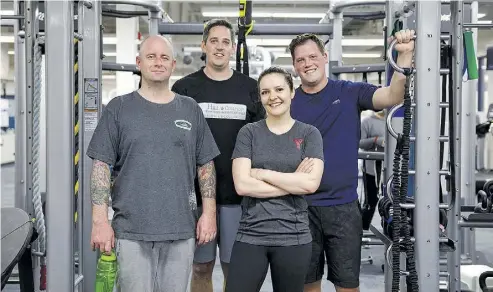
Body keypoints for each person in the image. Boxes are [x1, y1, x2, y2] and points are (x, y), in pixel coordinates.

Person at [87, 35, 220, 292]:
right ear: (139, 62)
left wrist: (209, 214)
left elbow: (205, 166)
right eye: (151, 56)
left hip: (181, 229)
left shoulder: (190, 109)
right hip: (131, 230)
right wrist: (100, 222)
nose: (158, 62)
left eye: (164, 58)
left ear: (173, 65)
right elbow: (101, 167)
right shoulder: (119, 108)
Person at [288, 30, 415, 292]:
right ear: (294, 65)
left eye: (313, 56)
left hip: (342, 208)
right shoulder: (287, 99)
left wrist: (404, 55)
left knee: (347, 286)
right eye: (300, 60)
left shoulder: (349, 91)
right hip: (299, 207)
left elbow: (393, 96)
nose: (307, 63)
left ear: (324, 58)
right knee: (306, 285)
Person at [171, 19, 265, 292]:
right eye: (214, 41)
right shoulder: (184, 89)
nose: (220, 47)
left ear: (234, 47)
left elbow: (263, 137)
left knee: (233, 268)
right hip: (197, 196)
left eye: (226, 42)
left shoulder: (251, 88)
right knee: (201, 266)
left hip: (240, 196)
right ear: (204, 45)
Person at [225, 66, 325, 292]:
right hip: (251, 234)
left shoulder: (309, 134)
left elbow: (310, 184)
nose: (273, 97)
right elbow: (242, 185)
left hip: (294, 236)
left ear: (292, 92)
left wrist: (261, 173)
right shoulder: (248, 133)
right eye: (265, 92)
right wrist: (293, 182)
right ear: (260, 98)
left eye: (279, 89)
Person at [359, 110, 386, 230]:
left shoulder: (393, 121)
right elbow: (360, 143)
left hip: (389, 169)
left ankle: (387, 228)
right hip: (370, 169)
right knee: (371, 201)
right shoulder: (367, 122)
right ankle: (363, 230)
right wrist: (375, 140)